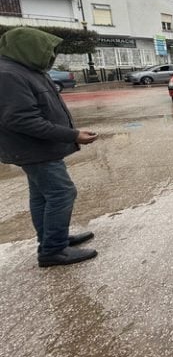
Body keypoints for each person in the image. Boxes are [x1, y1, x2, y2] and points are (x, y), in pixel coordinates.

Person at [0, 27, 99, 267]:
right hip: (34, 149)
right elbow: (22, 119)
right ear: (28, 48)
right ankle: (54, 250)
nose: (51, 55)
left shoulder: (27, 69)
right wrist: (72, 135)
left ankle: (52, 239)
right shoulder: (9, 74)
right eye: (48, 50)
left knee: (42, 195)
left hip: (39, 148)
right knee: (62, 193)